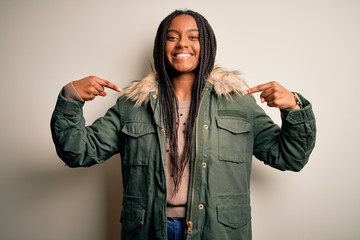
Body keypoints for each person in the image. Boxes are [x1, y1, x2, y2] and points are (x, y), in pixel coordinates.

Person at [50, 9, 316, 240]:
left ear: (207, 45)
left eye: (193, 36)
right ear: (161, 45)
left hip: (217, 231)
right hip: (148, 230)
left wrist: (293, 106)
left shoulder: (239, 104)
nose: (182, 44)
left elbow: (290, 157)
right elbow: (79, 152)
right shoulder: (132, 105)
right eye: (172, 36)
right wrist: (71, 98)